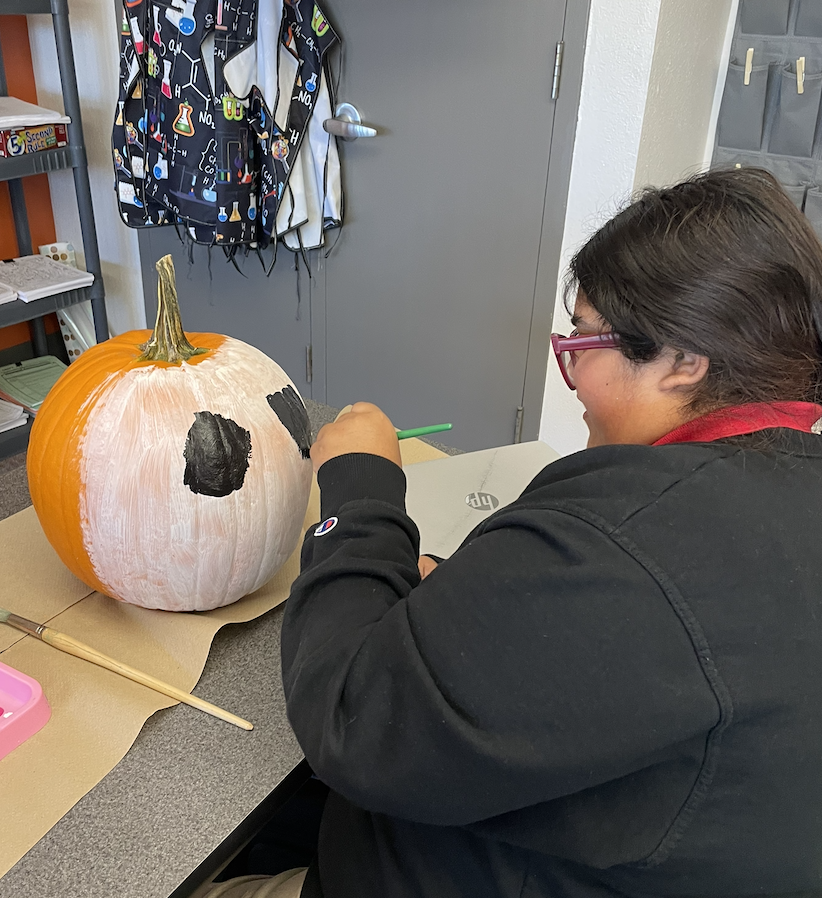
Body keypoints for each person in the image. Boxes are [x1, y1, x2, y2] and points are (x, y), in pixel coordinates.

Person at [210, 167, 822, 897]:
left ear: (685, 362)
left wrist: (361, 494)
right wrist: (483, 604)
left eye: (583, 346)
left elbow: (356, 720)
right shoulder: (774, 489)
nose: (573, 380)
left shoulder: (626, 545)